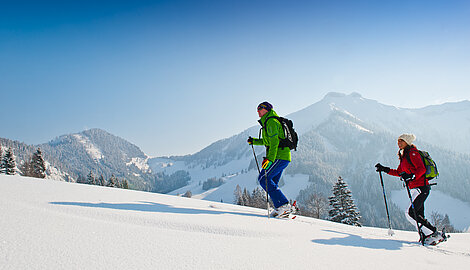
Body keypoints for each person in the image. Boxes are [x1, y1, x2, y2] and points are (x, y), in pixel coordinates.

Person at [375, 133, 444, 245]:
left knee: (410, 213)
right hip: (416, 188)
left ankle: (433, 233)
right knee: (418, 214)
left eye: (401, 141)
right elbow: (399, 172)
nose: (399, 143)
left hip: (421, 187)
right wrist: (384, 169)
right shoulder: (404, 155)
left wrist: (412, 176)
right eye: (398, 141)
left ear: (407, 141)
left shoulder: (412, 153)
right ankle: (427, 237)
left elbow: (421, 169)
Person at [247, 101, 293, 217]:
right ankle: (281, 209)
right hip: (283, 157)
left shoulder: (271, 122)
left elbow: (274, 143)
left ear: (267, 109)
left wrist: (270, 159)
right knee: (271, 183)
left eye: (260, 109)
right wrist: (254, 141)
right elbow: (267, 141)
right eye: (257, 109)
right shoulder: (268, 122)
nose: (258, 111)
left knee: (264, 179)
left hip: (279, 156)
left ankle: (284, 205)